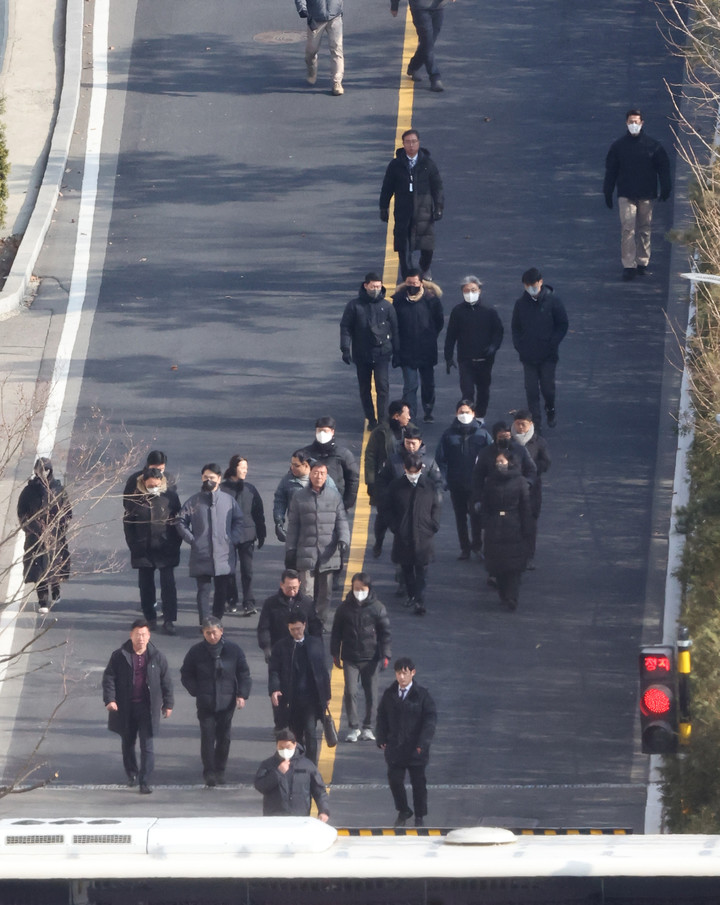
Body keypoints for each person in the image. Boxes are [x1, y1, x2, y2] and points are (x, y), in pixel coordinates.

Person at [102, 619, 173, 795]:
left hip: (147, 708)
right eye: (137, 634)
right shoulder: (119, 656)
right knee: (128, 743)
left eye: (144, 634)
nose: (140, 638)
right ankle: (132, 773)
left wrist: (168, 704)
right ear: (131, 635)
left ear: (149, 636)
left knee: (147, 744)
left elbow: (166, 682)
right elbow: (109, 678)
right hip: (125, 707)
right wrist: (110, 700)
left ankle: (145, 780)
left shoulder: (157, 657)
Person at [180, 617, 252, 787]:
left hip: (227, 701)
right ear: (203, 634)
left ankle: (220, 769)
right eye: (208, 633)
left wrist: (242, 694)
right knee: (207, 736)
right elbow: (186, 674)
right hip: (206, 702)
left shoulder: (233, 650)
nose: (212, 636)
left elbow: (243, 674)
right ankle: (209, 771)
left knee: (224, 737)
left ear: (221, 631)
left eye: (214, 632)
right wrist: (196, 690)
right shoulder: (196, 652)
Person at [603, 108, 672, 281]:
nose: (634, 124)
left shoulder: (653, 146)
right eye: (631, 121)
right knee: (627, 229)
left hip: (646, 194)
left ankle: (642, 261)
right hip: (626, 194)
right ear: (626, 123)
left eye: (637, 121)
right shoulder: (618, 147)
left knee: (645, 229)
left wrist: (666, 187)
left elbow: (663, 167)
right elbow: (611, 170)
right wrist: (607, 190)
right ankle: (629, 265)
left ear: (642, 123)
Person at [177, 463, 244, 625]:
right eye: (206, 477)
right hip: (202, 553)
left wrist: (232, 540)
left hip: (223, 553)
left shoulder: (229, 501)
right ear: (201, 478)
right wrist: (193, 540)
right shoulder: (193, 501)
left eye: (212, 478)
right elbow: (180, 521)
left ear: (219, 479)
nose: (209, 480)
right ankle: (205, 623)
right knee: (203, 591)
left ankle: (217, 621)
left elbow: (239, 521)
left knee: (221, 590)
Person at [285, 461, 350, 628]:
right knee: (306, 592)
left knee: (325, 593)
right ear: (310, 473)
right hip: (306, 551)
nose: (318, 476)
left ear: (326, 475)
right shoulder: (299, 497)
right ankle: (305, 622)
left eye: (322, 473)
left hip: (329, 553)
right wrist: (290, 548)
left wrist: (344, 539)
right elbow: (293, 526)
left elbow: (341, 520)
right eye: (315, 473)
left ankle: (320, 622)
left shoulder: (334, 497)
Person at [375, 657, 437, 828]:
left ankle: (419, 816)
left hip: (416, 748)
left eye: (405, 673)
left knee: (418, 784)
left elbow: (430, 721)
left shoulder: (422, 695)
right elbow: (381, 716)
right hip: (395, 747)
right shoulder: (390, 694)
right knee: (395, 780)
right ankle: (403, 809)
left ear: (412, 673)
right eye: (398, 673)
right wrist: (381, 737)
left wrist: (423, 743)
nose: (401, 677)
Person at [331, 572, 391, 743]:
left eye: (362, 589)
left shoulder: (377, 608)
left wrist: (386, 654)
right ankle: (353, 727)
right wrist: (335, 652)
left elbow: (385, 633)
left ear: (368, 589)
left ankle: (368, 727)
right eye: (356, 588)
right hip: (350, 657)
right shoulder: (344, 608)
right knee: (350, 692)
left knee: (371, 693)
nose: (359, 591)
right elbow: (336, 632)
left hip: (371, 658)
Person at [123, 465, 182, 634]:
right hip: (143, 550)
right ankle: (150, 618)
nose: (153, 488)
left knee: (168, 585)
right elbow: (128, 525)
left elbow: (178, 520)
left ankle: (169, 619)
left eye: (156, 485)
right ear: (143, 483)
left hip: (166, 548)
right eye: (150, 486)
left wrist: (174, 543)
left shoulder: (170, 497)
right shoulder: (135, 500)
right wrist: (134, 545)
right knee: (146, 586)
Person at [268, 608, 331, 764]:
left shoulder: (315, 644)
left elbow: (322, 671)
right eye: (292, 629)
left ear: (304, 625)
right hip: (290, 699)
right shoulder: (281, 647)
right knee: (295, 734)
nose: (296, 632)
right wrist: (275, 689)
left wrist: (326, 695)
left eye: (298, 628)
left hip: (311, 698)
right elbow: (274, 670)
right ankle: (298, 761)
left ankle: (311, 765)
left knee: (310, 731)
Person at [380, 129, 444, 280]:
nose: (411, 145)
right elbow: (387, 187)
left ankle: (425, 269)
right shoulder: (395, 165)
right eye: (408, 142)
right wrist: (383, 207)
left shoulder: (428, 164)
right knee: (404, 248)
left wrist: (439, 207)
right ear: (403, 144)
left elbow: (437, 187)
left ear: (419, 143)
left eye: (414, 141)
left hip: (424, 212)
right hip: (403, 212)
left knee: (427, 246)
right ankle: (408, 277)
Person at [511, 268, 569, 430]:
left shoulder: (553, 301)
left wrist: (553, 342)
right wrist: (519, 346)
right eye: (527, 285)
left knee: (547, 388)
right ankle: (535, 424)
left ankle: (550, 408)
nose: (531, 288)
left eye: (533, 284)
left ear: (541, 282)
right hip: (528, 355)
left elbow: (562, 324)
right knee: (531, 391)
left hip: (548, 355)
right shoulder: (521, 304)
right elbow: (515, 327)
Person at [340, 273, 399, 431]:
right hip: (362, 355)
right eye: (373, 286)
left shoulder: (387, 306)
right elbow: (345, 328)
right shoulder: (354, 306)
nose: (376, 289)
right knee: (364, 388)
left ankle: (382, 420)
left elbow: (395, 329)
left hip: (382, 354)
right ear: (365, 286)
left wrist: (397, 352)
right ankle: (371, 419)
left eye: (378, 287)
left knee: (382, 387)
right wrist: (345, 348)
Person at [435, 399, 492, 560]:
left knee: (476, 516)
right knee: (460, 517)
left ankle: (477, 546)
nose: (464, 415)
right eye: (461, 412)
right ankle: (465, 548)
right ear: (456, 413)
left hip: (476, 485)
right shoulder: (448, 435)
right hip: (456, 484)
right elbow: (441, 459)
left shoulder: (483, 435)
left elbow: (492, 456)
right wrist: (444, 480)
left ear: (474, 414)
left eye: (467, 412)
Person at [386, 451, 441, 616]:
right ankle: (412, 594)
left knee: (422, 570)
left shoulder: (429, 486)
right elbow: (388, 509)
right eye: (410, 471)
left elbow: (436, 506)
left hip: (424, 535)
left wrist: (433, 524)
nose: (413, 474)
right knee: (407, 569)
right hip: (403, 535)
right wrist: (395, 527)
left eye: (416, 471)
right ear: (405, 468)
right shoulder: (396, 486)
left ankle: (420, 600)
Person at [444, 275, 504, 420]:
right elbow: (451, 335)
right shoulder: (457, 311)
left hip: (485, 359)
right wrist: (448, 356)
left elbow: (498, 331)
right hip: (465, 359)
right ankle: (469, 417)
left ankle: (480, 416)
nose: (470, 293)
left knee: (483, 390)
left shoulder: (489, 311)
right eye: (466, 291)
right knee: (467, 391)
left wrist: (493, 347)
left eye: (473, 290)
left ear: (479, 290)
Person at [17, 457, 72, 614]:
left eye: (46, 470)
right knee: (38, 568)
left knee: (54, 564)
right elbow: (22, 513)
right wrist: (31, 528)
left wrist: (60, 527)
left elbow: (67, 512)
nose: (43, 473)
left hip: (55, 535)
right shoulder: (28, 492)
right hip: (35, 537)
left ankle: (55, 589)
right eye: (40, 470)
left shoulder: (58, 490)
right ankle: (43, 600)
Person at [480, 453, 533, 611]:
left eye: (501, 461)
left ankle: (512, 596)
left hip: (513, 525)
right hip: (495, 526)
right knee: (499, 564)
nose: (499, 464)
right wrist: (485, 523)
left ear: (510, 462)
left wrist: (527, 527)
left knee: (514, 566)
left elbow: (525, 506)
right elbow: (485, 504)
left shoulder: (520, 481)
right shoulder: (491, 481)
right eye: (497, 462)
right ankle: (504, 593)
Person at [392, 269, 444, 423]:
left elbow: (439, 322)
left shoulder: (431, 301)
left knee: (428, 384)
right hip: (406, 350)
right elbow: (394, 324)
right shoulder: (398, 300)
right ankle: (410, 415)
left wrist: (430, 337)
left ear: (421, 283)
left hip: (426, 350)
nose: (412, 286)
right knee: (411, 385)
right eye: (409, 283)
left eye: (414, 283)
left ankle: (428, 409)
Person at [365, 401, 413, 558]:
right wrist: (371, 481)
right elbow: (370, 456)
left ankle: (402, 549)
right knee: (383, 515)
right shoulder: (380, 432)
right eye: (406, 414)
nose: (409, 417)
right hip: (386, 482)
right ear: (396, 416)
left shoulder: (411, 431)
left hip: (405, 481)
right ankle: (378, 541)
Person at [220, 455, 266, 617]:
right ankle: (231, 599)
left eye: (246, 467)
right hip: (228, 536)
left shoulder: (250, 489)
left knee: (247, 570)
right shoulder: (222, 489)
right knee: (229, 570)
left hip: (247, 535)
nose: (245, 470)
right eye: (242, 467)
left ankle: (249, 602)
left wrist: (262, 533)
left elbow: (258, 513)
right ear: (234, 468)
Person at [254, 729, 330, 819]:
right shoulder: (268, 765)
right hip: (274, 819)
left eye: (288, 747)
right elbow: (260, 786)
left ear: (295, 745)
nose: (285, 750)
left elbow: (319, 791)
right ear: (276, 746)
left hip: (300, 818)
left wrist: (323, 811)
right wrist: (278, 773)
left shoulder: (307, 766)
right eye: (281, 748)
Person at [511, 409, 551, 569]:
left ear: (530, 424)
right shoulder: (508, 440)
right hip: (512, 487)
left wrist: (533, 470)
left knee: (530, 522)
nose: (520, 427)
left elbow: (546, 462)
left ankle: (528, 555)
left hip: (531, 489)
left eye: (524, 424)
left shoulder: (539, 442)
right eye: (517, 424)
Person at [258, 569, 323, 664]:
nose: (292, 591)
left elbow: (315, 628)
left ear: (300, 584)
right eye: (289, 588)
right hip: (279, 651)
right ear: (281, 585)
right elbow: (263, 628)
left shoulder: (307, 603)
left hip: (303, 651)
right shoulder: (271, 603)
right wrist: (267, 647)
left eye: (295, 588)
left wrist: (317, 648)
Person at [390, 0, 457, 92]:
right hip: (420, 8)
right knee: (427, 42)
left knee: (429, 42)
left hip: (439, 7)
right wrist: (394, 5)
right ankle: (435, 76)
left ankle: (414, 66)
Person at [273, 450, 338, 542]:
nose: (292, 468)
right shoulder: (287, 480)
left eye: (296, 465)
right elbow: (280, 500)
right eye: (292, 464)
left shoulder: (324, 479)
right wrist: (279, 521)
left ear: (306, 465)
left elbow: (335, 501)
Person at [300, 416, 359, 510]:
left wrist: (347, 503)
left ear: (332, 432)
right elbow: (295, 478)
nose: (322, 434)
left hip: (335, 506)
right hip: (309, 506)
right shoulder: (305, 454)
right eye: (319, 431)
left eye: (325, 431)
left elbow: (353, 479)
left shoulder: (343, 454)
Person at [295, 0, 344, 96]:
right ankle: (311, 67)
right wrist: (302, 8)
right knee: (311, 51)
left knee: (337, 49)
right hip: (315, 18)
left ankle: (337, 82)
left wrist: (339, 6)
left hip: (335, 16)